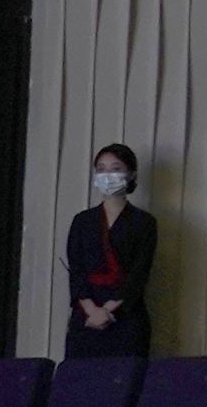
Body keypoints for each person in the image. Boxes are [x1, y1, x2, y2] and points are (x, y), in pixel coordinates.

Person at [62, 144, 158, 359]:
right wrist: (92, 310)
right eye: (101, 169)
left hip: (126, 315)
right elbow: (76, 270)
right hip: (86, 316)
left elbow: (140, 272)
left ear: (131, 174)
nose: (108, 175)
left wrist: (108, 310)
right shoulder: (82, 221)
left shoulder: (144, 222)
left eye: (115, 169)